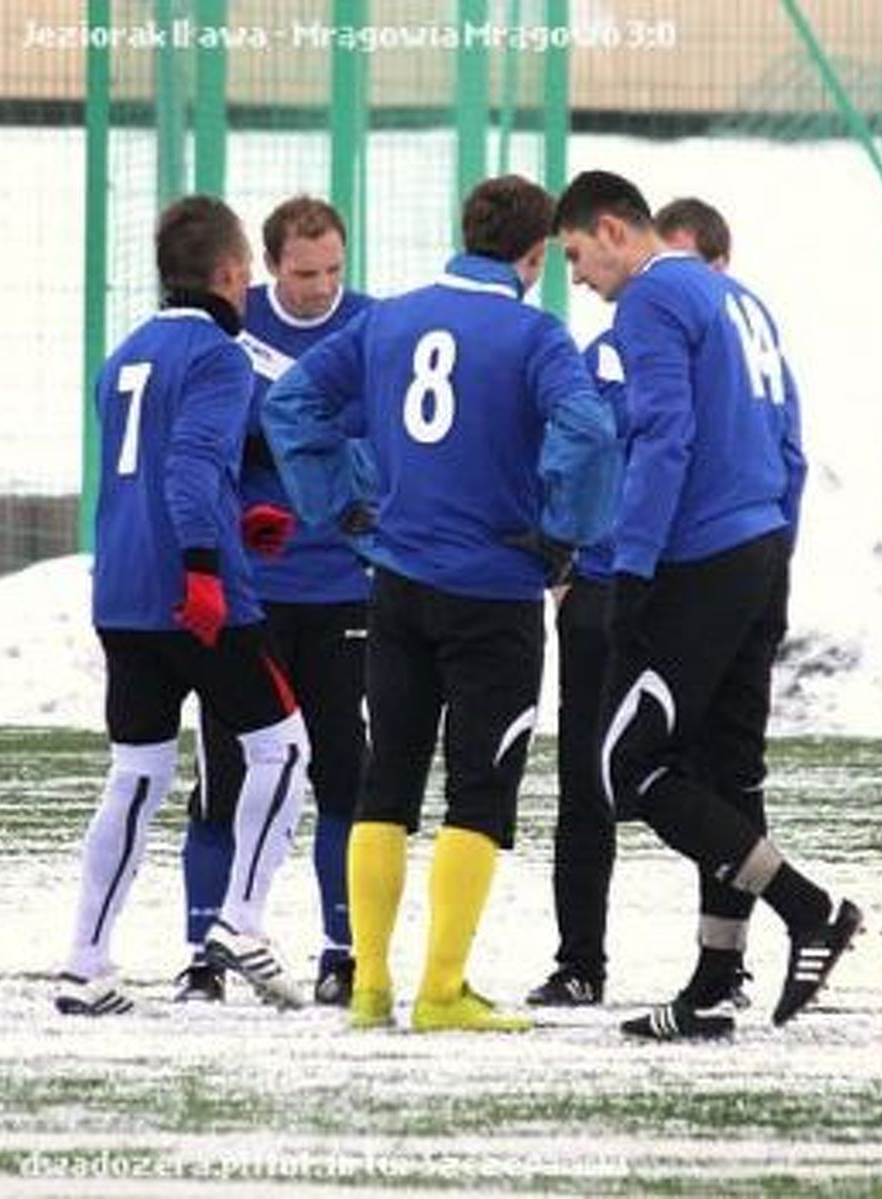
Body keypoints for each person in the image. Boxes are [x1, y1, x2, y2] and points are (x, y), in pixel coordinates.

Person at [265, 175, 617, 1033]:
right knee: (478, 789)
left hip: (396, 586)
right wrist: (563, 530)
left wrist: (339, 502)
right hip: (492, 593)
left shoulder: (385, 319)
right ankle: (443, 990)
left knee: (386, 780)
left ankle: (371, 987)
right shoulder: (537, 335)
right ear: (535, 257)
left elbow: (291, 400)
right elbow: (591, 430)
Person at [553, 170, 859, 1040]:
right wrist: (777, 548)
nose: (578, 277)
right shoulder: (740, 300)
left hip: (702, 558)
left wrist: (636, 570)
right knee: (728, 772)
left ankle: (811, 910)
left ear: (613, 230)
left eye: (576, 256)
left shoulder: (647, 303)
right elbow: (791, 442)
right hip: (760, 546)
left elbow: (663, 435)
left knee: (628, 763)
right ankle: (717, 979)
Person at [55, 194, 313, 1016]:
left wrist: (236, 521)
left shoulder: (122, 354)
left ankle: (85, 963)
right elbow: (193, 464)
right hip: (193, 594)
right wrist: (207, 562)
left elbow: (149, 476)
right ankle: (239, 918)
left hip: (122, 590)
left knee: (137, 771)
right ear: (234, 274)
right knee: (284, 748)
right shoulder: (222, 357)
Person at [527, 196, 742, 1010]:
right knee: (589, 774)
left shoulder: (718, 341)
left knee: (705, 772)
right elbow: (577, 445)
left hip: (684, 580)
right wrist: (568, 545)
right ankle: (580, 959)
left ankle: (725, 957)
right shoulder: (606, 349)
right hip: (615, 581)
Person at [175, 196, 374, 1008]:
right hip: (253, 593)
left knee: (343, 773)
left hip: (343, 588)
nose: (320, 287)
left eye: (332, 270)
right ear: (265, 269)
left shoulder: (376, 327)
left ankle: (342, 948)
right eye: (302, 273)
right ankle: (204, 951)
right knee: (228, 776)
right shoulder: (230, 330)